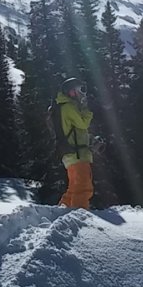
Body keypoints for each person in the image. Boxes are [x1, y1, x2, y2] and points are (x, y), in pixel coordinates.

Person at [55, 77, 95, 210]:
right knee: (83, 187)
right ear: (70, 92)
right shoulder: (68, 107)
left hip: (72, 154)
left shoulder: (64, 106)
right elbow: (83, 123)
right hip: (77, 154)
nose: (81, 93)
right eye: (78, 90)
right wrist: (86, 110)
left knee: (73, 188)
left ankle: (62, 213)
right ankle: (80, 216)